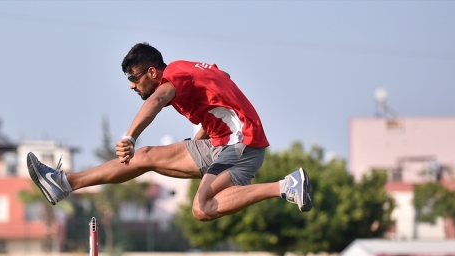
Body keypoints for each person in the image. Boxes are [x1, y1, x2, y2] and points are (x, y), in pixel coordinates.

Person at [27, 42, 312, 221]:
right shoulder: (192, 71)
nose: (130, 85)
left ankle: (286, 186)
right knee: (147, 156)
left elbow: (157, 100)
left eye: (133, 78)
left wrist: (130, 136)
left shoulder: (174, 76)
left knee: (202, 208)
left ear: (152, 72)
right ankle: (64, 183)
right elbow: (221, 83)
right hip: (222, 142)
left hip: (241, 146)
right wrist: (200, 139)